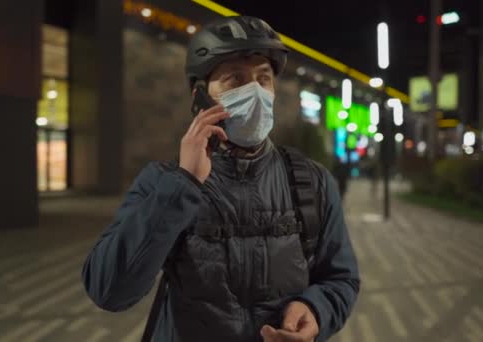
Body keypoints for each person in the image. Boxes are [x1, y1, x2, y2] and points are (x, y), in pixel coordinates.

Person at [81, 16, 360, 342]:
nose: (254, 91)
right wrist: (184, 182)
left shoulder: (312, 181)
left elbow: (341, 279)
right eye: (234, 80)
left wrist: (316, 310)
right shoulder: (162, 181)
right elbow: (109, 290)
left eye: (263, 79)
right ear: (200, 95)